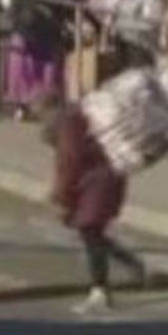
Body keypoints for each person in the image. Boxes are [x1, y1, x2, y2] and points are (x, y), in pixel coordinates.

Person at [41, 98, 147, 314]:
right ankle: (129, 264)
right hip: (102, 179)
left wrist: (60, 197)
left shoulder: (68, 124)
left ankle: (101, 290)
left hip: (97, 183)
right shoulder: (76, 118)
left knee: (90, 231)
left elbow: (69, 161)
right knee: (91, 233)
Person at [5, 0, 69, 119]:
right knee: (26, 70)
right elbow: (12, 14)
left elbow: (62, 14)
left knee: (42, 72)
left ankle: (32, 105)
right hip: (30, 36)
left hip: (41, 38)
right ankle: (24, 105)